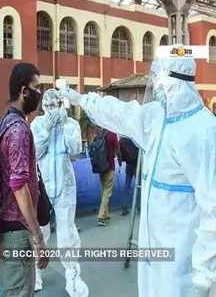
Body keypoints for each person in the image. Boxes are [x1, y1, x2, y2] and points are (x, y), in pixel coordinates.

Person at [60, 57, 216, 297]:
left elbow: (213, 207)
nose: (156, 91)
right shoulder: (156, 118)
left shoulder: (204, 131)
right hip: (152, 252)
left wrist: (205, 270)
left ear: (175, 85)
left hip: (183, 261)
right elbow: (120, 113)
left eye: (160, 84)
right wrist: (80, 99)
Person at [0, 62, 49, 296]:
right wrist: (37, 237)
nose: (41, 94)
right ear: (24, 91)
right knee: (19, 292)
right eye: (38, 88)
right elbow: (19, 186)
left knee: (11, 290)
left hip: (6, 227)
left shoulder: (6, 122)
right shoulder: (18, 130)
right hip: (16, 231)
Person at [31, 89, 89, 297]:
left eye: (56, 105)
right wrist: (46, 130)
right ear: (43, 108)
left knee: (67, 234)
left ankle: (73, 278)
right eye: (48, 106)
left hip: (65, 186)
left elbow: (75, 151)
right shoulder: (37, 124)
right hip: (43, 186)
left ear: (61, 105)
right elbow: (34, 153)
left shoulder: (71, 124)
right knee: (39, 231)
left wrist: (65, 126)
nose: (52, 110)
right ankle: (34, 275)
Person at [95, 129, 120, 226]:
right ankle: (101, 217)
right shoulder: (112, 134)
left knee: (104, 190)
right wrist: (120, 158)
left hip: (101, 167)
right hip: (110, 166)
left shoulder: (100, 133)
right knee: (107, 192)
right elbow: (117, 149)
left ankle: (105, 214)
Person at [119, 137, 139, 215]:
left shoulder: (122, 139)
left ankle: (124, 207)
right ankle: (139, 206)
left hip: (128, 164)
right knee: (139, 185)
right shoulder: (134, 138)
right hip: (136, 164)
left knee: (127, 186)